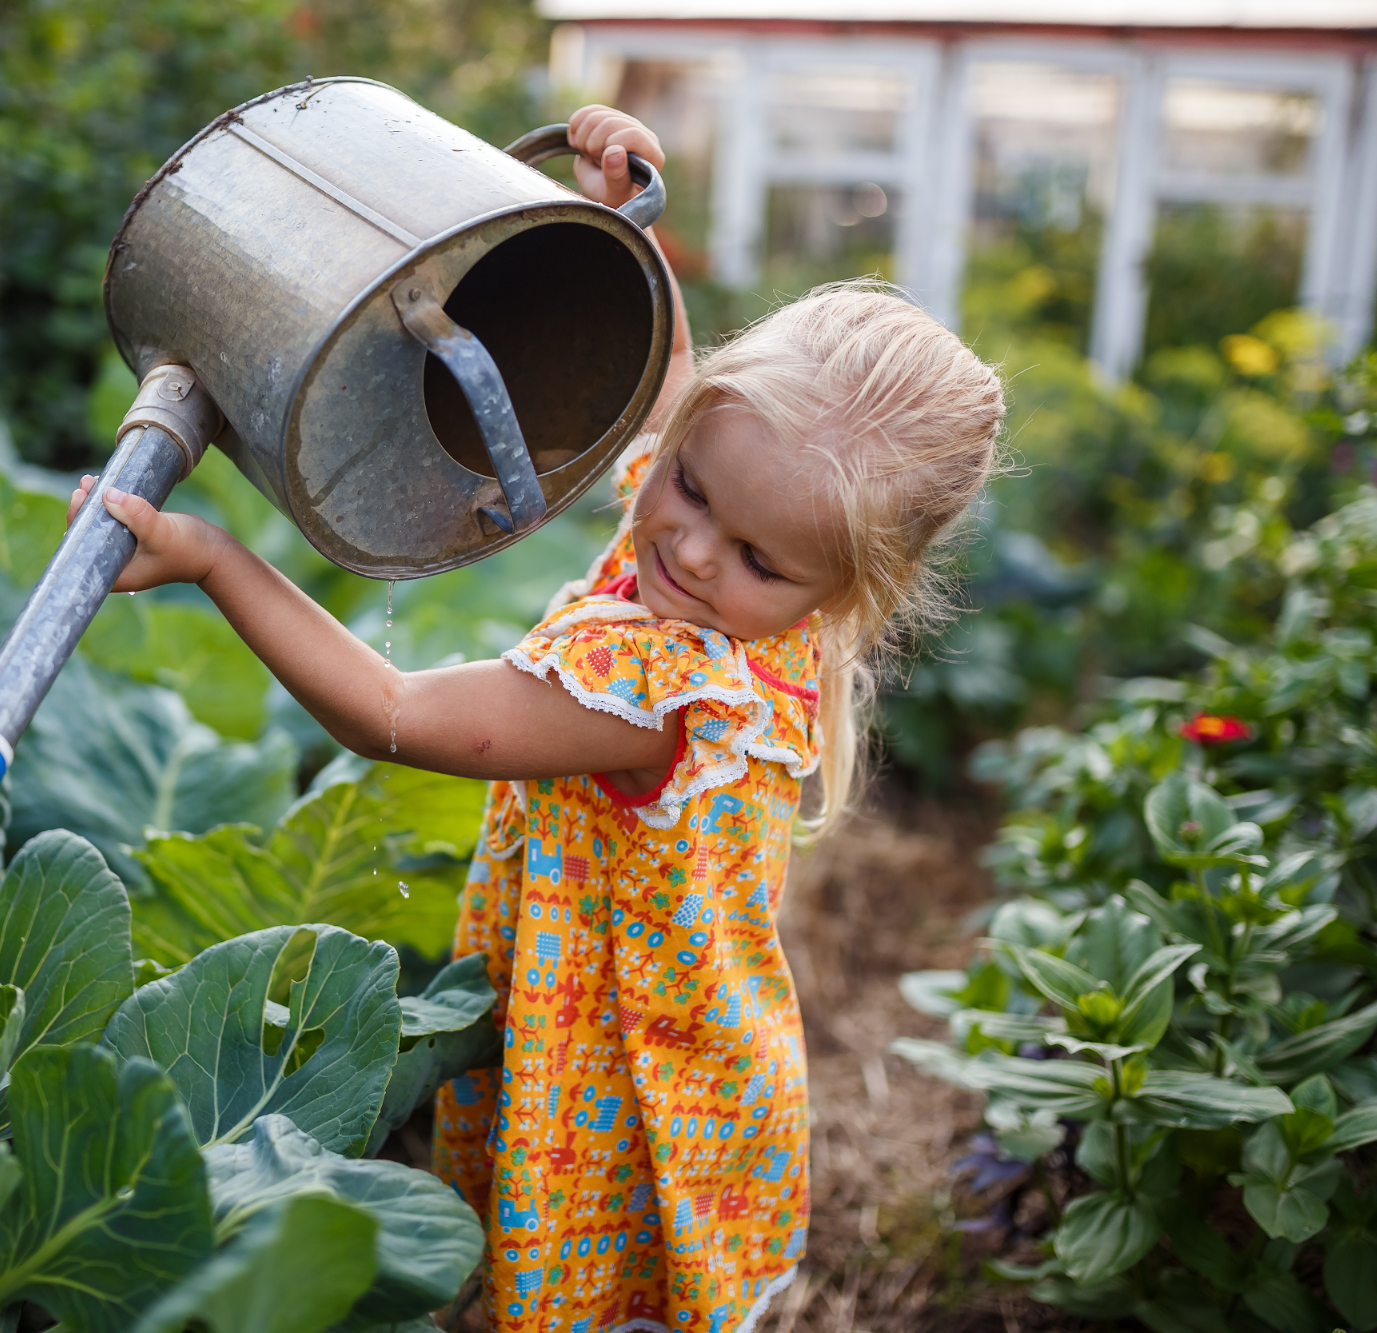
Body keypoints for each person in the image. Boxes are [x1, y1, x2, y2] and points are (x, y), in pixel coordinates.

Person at [70, 104, 1005, 1333]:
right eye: (688, 484)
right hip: (704, 1064)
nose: (688, 545)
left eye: (753, 555)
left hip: (614, 1099)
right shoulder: (769, 583)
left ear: (845, 589)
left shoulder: (655, 690)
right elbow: (670, 379)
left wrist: (215, 560)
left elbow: (393, 712)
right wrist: (625, 220)